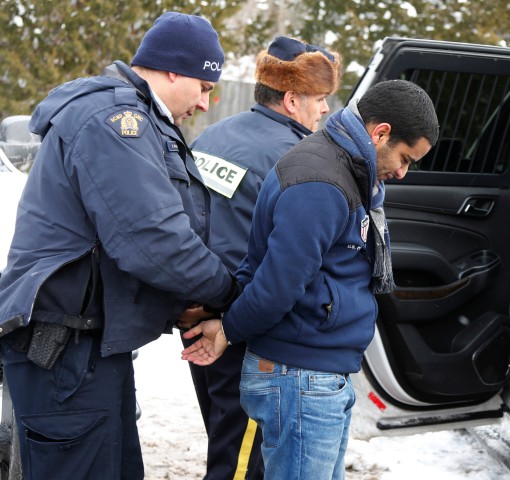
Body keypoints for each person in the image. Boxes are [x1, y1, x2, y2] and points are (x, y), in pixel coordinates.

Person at [0, 12, 240, 480]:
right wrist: (228, 296)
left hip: (89, 345)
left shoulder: (134, 118)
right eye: (204, 87)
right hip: (65, 348)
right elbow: (155, 240)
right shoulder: (116, 121)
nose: (206, 103)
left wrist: (188, 302)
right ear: (173, 69)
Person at [182, 79, 439, 479]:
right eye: (405, 158)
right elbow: (276, 284)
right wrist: (230, 329)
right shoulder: (322, 183)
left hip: (314, 377)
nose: (403, 172)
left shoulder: (344, 169)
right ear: (381, 132)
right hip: (299, 379)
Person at [180, 35, 341, 480]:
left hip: (195, 317)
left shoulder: (213, 135)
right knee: (245, 463)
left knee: (225, 439)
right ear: (291, 99)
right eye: (319, 99)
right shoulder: (296, 160)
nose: (325, 110)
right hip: (244, 331)